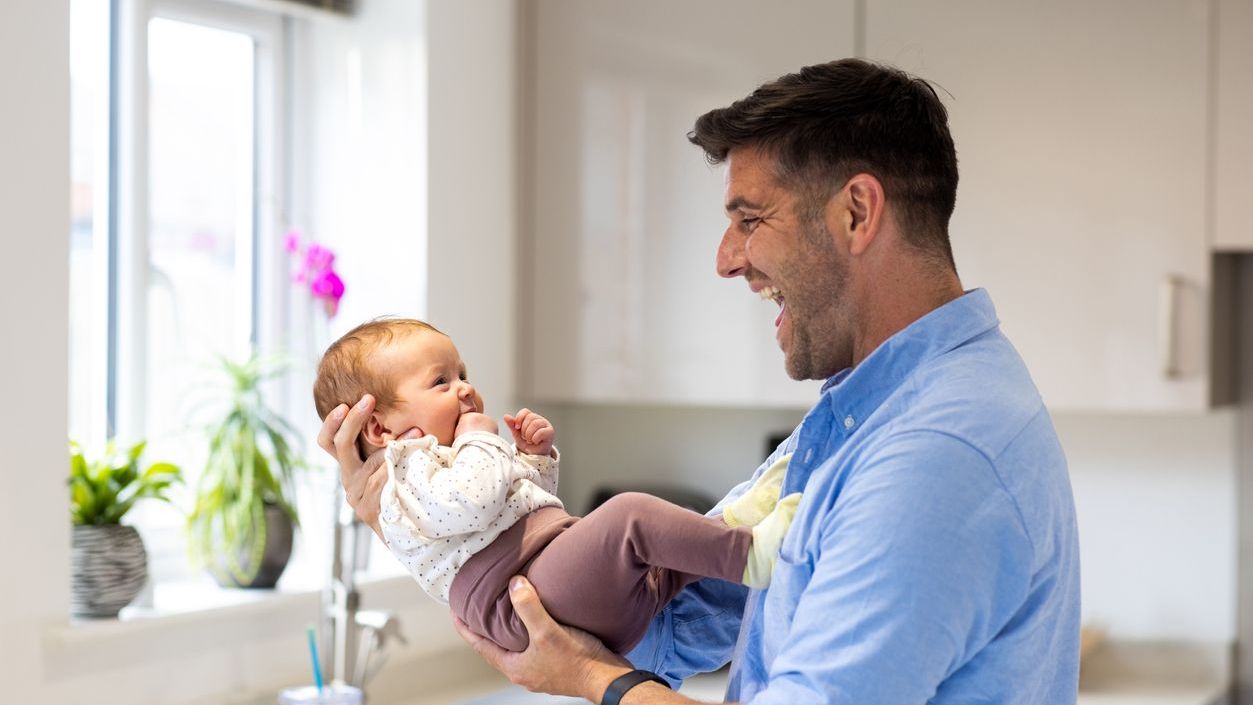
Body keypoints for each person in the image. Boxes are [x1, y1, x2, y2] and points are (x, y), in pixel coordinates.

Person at [320, 58, 1080, 705]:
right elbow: (667, 625)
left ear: (856, 212)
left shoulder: (934, 453)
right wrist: (411, 525)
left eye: (750, 220)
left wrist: (597, 682)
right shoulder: (870, 407)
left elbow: (608, 656)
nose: (724, 259)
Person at [313, 317, 802, 655]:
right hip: (520, 596)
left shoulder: (453, 458)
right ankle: (749, 554)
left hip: (546, 574)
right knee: (628, 514)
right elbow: (476, 504)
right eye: (440, 381)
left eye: (462, 373)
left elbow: (530, 506)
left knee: (657, 560)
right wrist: (482, 438)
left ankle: (734, 523)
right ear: (379, 428)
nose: (465, 387)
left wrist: (533, 459)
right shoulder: (404, 476)